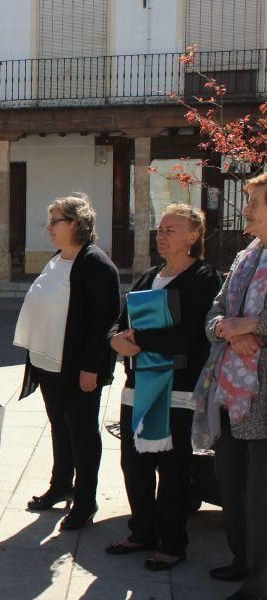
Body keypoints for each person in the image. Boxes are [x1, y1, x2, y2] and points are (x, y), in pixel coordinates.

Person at [106, 204, 220, 570]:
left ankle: (172, 543)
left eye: (172, 229)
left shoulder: (204, 279)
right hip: (138, 387)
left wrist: (137, 338)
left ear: (193, 236)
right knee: (134, 463)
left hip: (178, 388)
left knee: (173, 471)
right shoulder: (148, 277)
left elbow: (192, 334)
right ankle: (141, 531)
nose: (162, 234)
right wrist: (114, 340)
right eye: (161, 228)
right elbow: (120, 321)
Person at [14, 193, 119, 531]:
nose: (49, 228)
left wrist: (92, 367)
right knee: (60, 427)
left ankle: (85, 500)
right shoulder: (58, 258)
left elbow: (104, 321)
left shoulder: (96, 264)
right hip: (48, 363)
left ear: (76, 223)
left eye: (55, 221)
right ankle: (61, 485)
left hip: (77, 368)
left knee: (83, 434)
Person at [192, 173, 267, 600]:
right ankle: (243, 559)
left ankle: (260, 582)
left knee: (261, 493)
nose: (247, 207)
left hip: (261, 396)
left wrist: (254, 323)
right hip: (228, 392)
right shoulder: (245, 257)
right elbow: (215, 314)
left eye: (256, 201)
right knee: (233, 484)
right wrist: (228, 327)